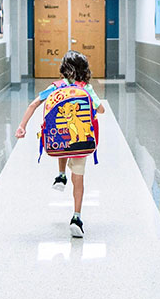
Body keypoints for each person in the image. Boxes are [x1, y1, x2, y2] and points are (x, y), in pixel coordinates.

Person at [15, 50, 104, 238]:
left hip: (59, 140)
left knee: (62, 141)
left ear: (64, 68)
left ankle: (61, 175)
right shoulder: (86, 88)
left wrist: (22, 126)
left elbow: (33, 105)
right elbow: (101, 110)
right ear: (84, 69)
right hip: (82, 141)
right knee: (78, 177)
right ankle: (76, 217)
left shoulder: (56, 87)